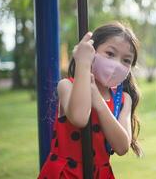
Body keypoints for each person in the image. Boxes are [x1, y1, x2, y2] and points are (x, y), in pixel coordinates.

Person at [38, 22, 142, 179]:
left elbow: (121, 147)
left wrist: (99, 102)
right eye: (110, 54)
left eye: (126, 61)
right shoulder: (67, 86)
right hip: (65, 173)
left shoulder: (123, 100)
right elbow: (79, 118)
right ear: (92, 52)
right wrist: (83, 64)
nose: (116, 64)